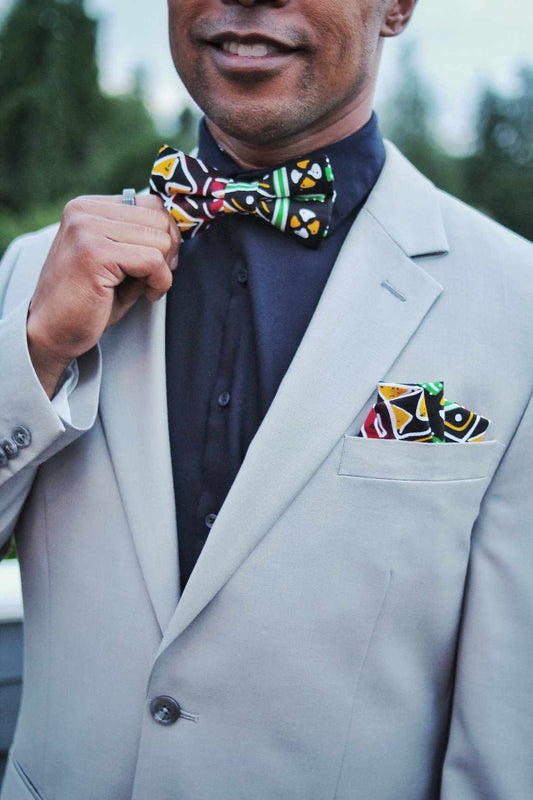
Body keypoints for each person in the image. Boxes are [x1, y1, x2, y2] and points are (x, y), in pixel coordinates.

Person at [0, 0, 532, 797]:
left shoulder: (515, 306)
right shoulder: (33, 271)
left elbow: (507, 730)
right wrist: (38, 350)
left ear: (396, 7)